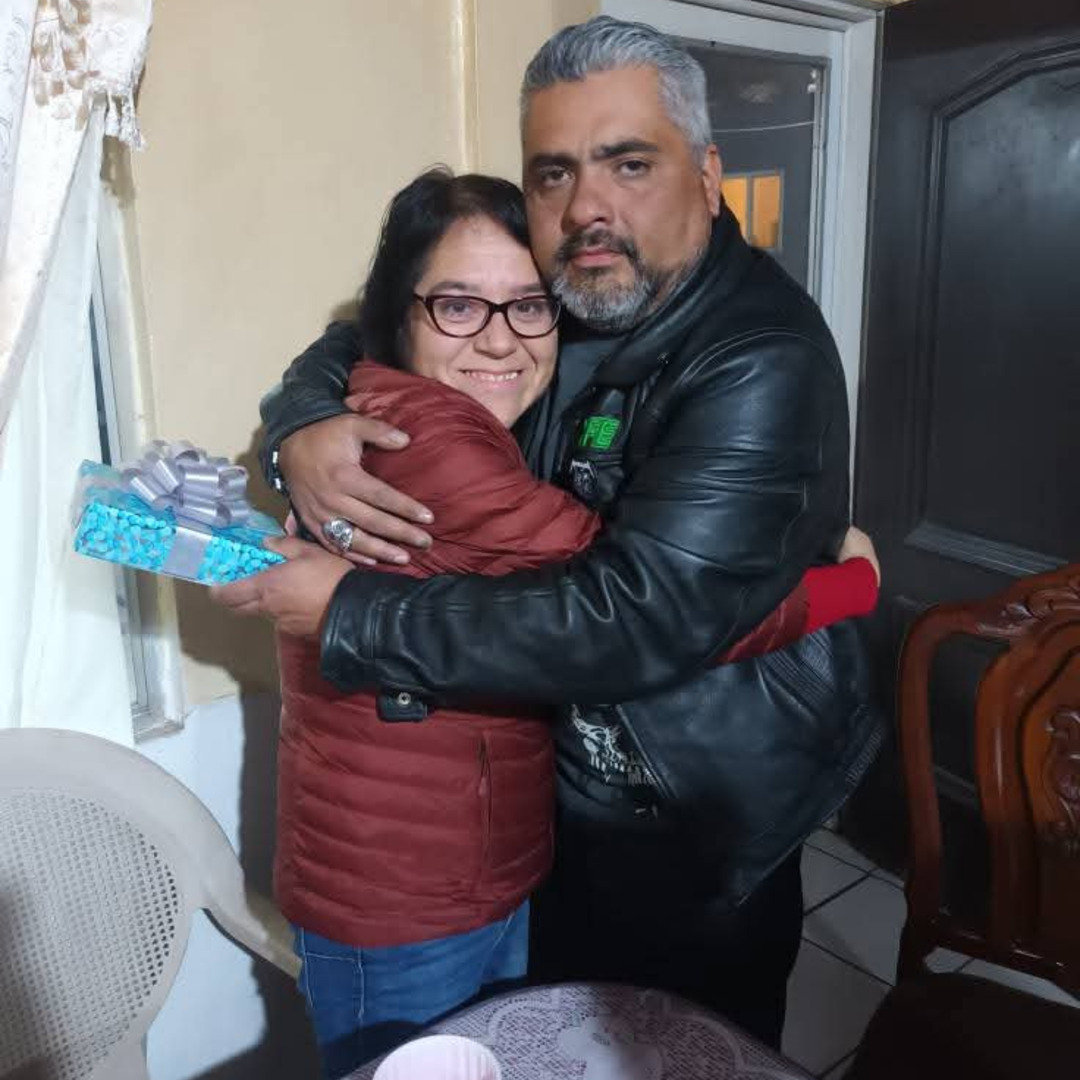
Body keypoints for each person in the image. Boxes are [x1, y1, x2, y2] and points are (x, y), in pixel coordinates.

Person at [215, 17, 883, 1049]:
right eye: (554, 173)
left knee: (688, 1054)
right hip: (549, 817)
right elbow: (380, 323)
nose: (586, 207)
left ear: (708, 176)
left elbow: (646, 614)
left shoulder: (758, 358)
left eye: (629, 163)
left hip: (691, 825)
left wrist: (351, 612)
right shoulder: (581, 291)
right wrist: (300, 419)